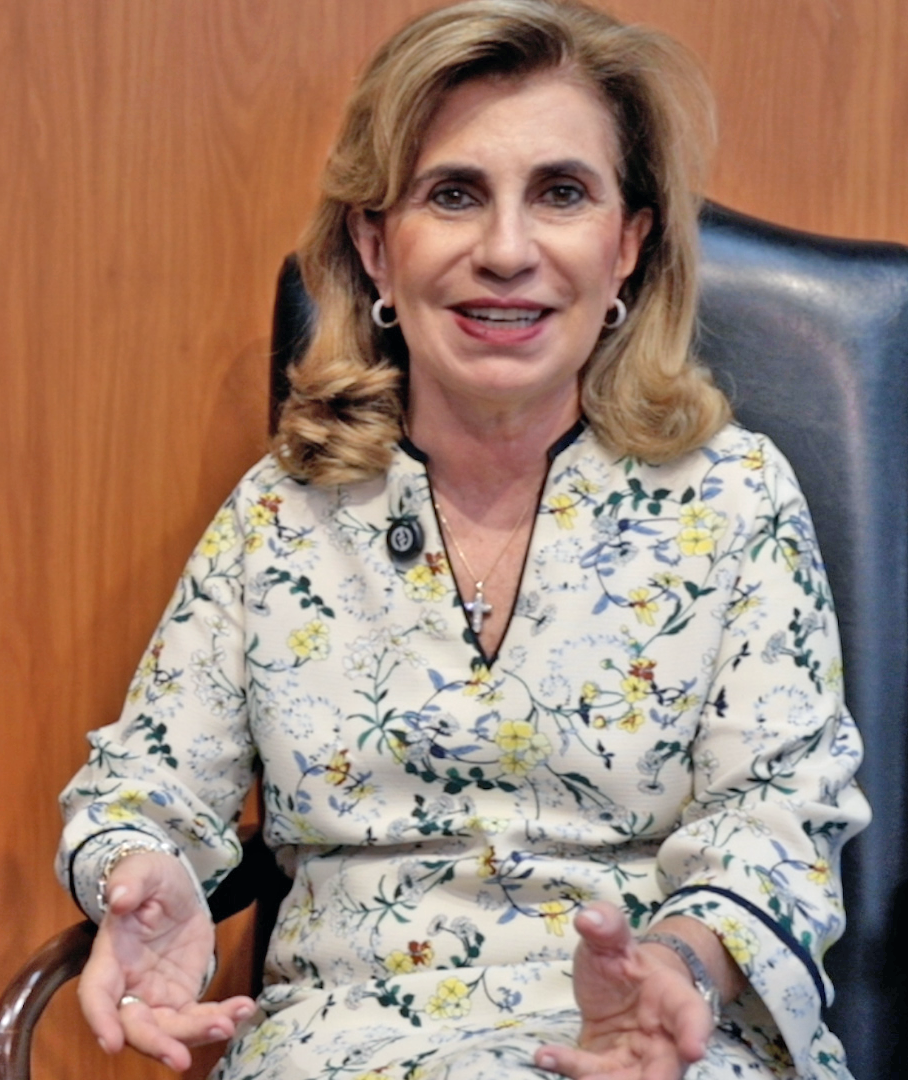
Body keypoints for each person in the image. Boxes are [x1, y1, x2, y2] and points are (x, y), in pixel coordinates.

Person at [55, 2, 871, 1079]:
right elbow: (147, 783)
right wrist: (141, 867)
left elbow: (776, 815)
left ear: (626, 245)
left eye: (561, 194)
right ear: (374, 244)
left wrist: (675, 963)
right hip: (342, 1046)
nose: (504, 250)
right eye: (452, 195)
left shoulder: (732, 498)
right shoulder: (284, 513)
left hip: (654, 1042)